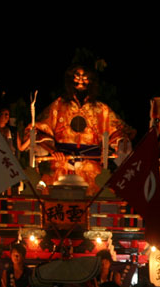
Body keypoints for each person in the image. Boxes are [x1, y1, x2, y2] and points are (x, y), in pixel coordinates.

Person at [31, 64, 136, 195]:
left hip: (91, 166)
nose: (81, 80)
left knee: (98, 198)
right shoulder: (59, 105)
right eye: (77, 76)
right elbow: (37, 131)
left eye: (85, 77)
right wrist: (53, 151)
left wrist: (121, 144)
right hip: (61, 164)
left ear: (92, 80)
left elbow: (120, 132)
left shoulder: (101, 109)